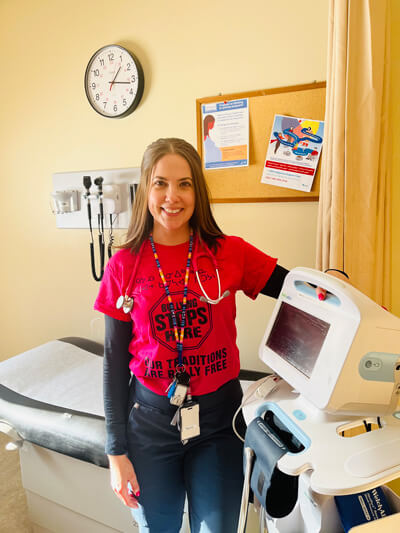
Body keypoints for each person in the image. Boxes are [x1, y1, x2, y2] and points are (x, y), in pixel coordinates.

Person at [94, 137, 291, 533]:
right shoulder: (124, 266)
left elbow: (299, 294)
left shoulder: (229, 253)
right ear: (146, 189)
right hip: (149, 425)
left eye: (184, 184)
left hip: (219, 424)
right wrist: (116, 452)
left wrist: (348, 303)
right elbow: (114, 363)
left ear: (197, 191)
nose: (172, 196)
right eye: (160, 183)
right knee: (158, 527)